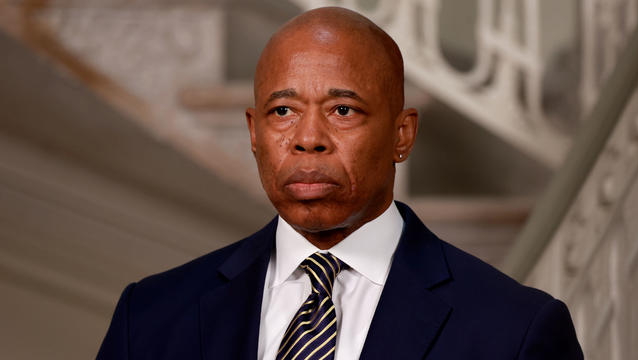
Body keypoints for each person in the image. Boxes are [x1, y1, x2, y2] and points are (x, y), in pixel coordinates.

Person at [97, 7, 583, 360]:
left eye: (343, 110)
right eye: (282, 111)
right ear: (253, 132)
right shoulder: (149, 318)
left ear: (402, 134)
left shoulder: (516, 332)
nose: (308, 139)